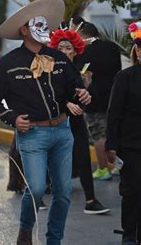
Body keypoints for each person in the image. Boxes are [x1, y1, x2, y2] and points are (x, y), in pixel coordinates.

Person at [0, 0, 91, 245]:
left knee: (63, 193)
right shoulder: (7, 64)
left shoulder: (59, 58)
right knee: (37, 189)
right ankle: (25, 231)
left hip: (63, 131)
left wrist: (82, 95)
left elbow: (75, 89)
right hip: (32, 134)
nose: (44, 28)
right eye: (37, 24)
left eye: (45, 24)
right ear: (24, 29)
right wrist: (12, 118)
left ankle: (54, 240)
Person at [50, 27, 110, 215]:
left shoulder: (80, 72)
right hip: (54, 123)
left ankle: (91, 200)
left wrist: (87, 89)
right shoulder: (49, 70)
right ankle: (38, 194)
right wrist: (67, 103)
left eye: (69, 48)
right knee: (50, 161)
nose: (65, 52)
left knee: (84, 159)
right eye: (61, 48)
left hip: (75, 122)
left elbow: (89, 98)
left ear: (76, 50)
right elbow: (47, 96)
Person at [106, 21, 141, 245]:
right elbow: (114, 113)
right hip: (131, 146)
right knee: (133, 192)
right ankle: (129, 234)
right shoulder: (125, 77)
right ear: (137, 50)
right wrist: (111, 145)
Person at [78, 22, 121, 180]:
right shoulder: (112, 47)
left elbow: (83, 76)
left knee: (98, 135)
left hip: (94, 100)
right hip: (115, 97)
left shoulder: (85, 51)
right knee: (115, 132)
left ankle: (103, 169)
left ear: (82, 33)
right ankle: (119, 167)